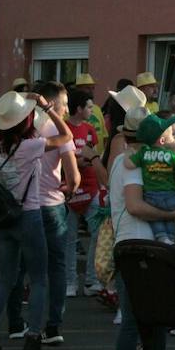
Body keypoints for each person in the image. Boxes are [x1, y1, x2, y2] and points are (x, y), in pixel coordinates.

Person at [89, 106, 175, 350]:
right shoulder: (131, 164)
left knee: (150, 319)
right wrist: (172, 213)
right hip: (137, 247)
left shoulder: (131, 160)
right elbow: (135, 206)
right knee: (136, 320)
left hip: (138, 246)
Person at [0, 91, 72, 350]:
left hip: (4, 218)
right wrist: (49, 109)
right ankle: (33, 336)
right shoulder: (31, 145)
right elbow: (66, 136)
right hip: (28, 216)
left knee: (6, 279)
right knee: (39, 279)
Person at [30, 82, 80, 349]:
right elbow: (73, 176)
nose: (68, 109)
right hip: (51, 204)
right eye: (65, 104)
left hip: (25, 206)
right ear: (52, 104)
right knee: (56, 266)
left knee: (29, 267)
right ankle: (53, 325)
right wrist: (69, 190)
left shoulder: (24, 128)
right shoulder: (60, 132)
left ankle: (23, 325)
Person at [123, 114, 175, 245]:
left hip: (152, 196)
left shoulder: (143, 153)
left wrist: (128, 153)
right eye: (171, 134)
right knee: (170, 219)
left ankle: (161, 235)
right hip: (171, 196)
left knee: (156, 218)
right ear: (162, 141)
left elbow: (129, 164)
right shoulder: (173, 156)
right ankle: (171, 238)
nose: (174, 135)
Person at [64, 90, 104, 296]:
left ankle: (91, 279)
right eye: (88, 107)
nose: (91, 110)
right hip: (69, 189)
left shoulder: (90, 130)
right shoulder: (63, 128)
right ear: (78, 108)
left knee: (97, 234)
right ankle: (70, 281)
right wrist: (76, 162)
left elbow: (94, 154)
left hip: (91, 187)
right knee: (69, 239)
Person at [73, 73, 109, 155]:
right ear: (78, 89)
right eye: (87, 88)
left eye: (93, 88)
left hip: (97, 158)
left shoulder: (97, 109)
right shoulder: (71, 110)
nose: (91, 91)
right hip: (79, 158)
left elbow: (104, 136)